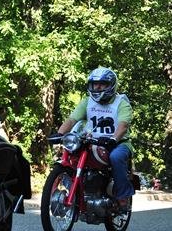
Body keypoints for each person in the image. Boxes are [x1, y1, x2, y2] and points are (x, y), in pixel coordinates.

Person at [57, 67, 134, 210]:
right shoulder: (87, 102)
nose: (97, 87)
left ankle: (123, 195)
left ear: (111, 85)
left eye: (102, 84)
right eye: (95, 84)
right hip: (89, 140)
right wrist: (60, 134)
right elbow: (72, 120)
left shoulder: (121, 103)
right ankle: (77, 189)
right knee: (72, 155)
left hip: (117, 143)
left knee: (116, 157)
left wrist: (113, 139)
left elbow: (123, 125)